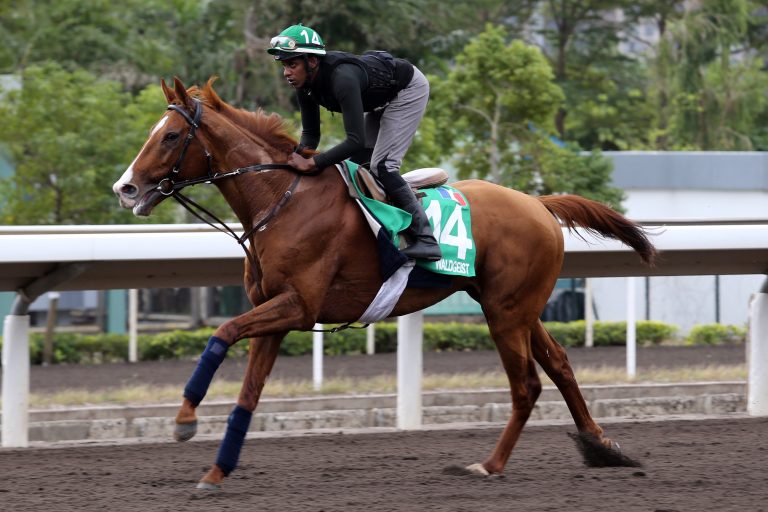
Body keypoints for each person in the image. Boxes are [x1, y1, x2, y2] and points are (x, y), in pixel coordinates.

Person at [267, 23, 441, 262]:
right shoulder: (304, 86)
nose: (286, 72)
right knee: (358, 167)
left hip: (406, 90)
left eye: (292, 64)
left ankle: (426, 240)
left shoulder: (342, 79)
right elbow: (310, 136)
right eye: (284, 65)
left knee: (383, 166)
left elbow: (355, 141)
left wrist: (314, 163)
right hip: (379, 99)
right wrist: (293, 160)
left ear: (313, 61)